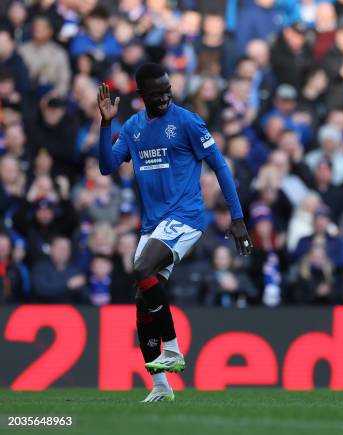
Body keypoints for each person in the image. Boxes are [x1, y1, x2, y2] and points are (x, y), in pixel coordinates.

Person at [97, 62, 253, 403]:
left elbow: (220, 166)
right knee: (141, 300)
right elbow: (107, 166)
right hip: (154, 225)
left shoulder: (186, 121)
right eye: (157, 94)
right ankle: (160, 386)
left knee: (141, 269)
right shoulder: (134, 128)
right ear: (142, 96)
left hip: (186, 217)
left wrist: (237, 218)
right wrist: (106, 123)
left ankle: (172, 347)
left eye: (168, 90)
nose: (165, 97)